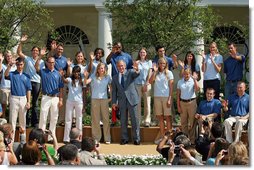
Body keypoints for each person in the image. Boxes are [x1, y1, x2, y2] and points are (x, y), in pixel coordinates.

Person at [17, 35, 45, 128]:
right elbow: (19, 52)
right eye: (34, 50)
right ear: (32, 52)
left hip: (37, 82)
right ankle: (27, 121)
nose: (35, 52)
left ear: (38, 52)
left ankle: (35, 122)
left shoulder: (41, 61)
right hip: (28, 82)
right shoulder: (28, 59)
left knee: (35, 103)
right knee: (27, 102)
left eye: (37, 51)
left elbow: (42, 73)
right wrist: (21, 42)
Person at [35, 54, 64, 142]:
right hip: (46, 97)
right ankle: (41, 137)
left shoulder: (58, 74)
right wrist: (40, 56)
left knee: (54, 118)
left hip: (55, 98)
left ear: (54, 63)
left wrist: (61, 99)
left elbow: (61, 87)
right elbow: (36, 66)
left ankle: (51, 138)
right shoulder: (43, 72)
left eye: (53, 62)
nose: (51, 64)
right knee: (43, 117)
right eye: (50, 62)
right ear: (47, 63)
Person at [112, 60, 140, 145]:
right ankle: (124, 138)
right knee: (123, 121)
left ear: (125, 66)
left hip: (132, 99)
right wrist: (114, 102)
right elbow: (114, 91)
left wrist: (137, 69)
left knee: (135, 120)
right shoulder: (115, 77)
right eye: (119, 66)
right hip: (122, 101)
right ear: (117, 67)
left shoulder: (130, 72)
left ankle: (136, 138)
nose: (121, 67)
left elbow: (136, 74)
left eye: (122, 66)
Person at [4, 57, 32, 140]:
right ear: (16, 65)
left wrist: (28, 101)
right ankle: (10, 140)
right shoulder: (12, 74)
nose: (20, 66)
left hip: (23, 99)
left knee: (23, 121)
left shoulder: (26, 76)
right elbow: (5, 75)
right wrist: (9, 66)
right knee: (12, 120)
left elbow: (28, 89)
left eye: (21, 64)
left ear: (23, 65)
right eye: (18, 64)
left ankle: (23, 140)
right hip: (14, 98)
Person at [84, 62, 111, 144]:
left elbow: (111, 86)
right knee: (95, 119)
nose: (101, 70)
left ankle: (107, 138)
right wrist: (85, 77)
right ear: (97, 70)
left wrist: (111, 97)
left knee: (106, 119)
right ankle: (96, 138)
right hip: (95, 99)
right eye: (99, 68)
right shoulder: (93, 76)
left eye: (102, 68)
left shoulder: (108, 77)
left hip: (104, 99)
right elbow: (86, 82)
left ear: (105, 69)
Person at [149, 58, 174, 141]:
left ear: (166, 64)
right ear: (158, 64)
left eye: (163, 63)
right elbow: (150, 81)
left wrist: (170, 98)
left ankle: (169, 138)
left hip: (166, 97)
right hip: (157, 97)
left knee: (167, 117)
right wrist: (154, 71)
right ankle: (163, 137)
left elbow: (171, 87)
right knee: (160, 118)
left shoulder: (169, 73)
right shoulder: (156, 73)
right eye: (160, 63)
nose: (162, 65)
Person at [60, 65, 84, 143]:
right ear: (73, 72)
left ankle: (79, 138)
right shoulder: (70, 79)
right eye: (75, 72)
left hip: (79, 102)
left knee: (79, 120)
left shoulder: (82, 80)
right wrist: (62, 75)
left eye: (78, 72)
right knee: (68, 120)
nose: (77, 74)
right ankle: (66, 138)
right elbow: (64, 81)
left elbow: (85, 91)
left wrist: (84, 103)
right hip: (70, 101)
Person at [177, 68, 199, 144]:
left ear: (190, 74)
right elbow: (178, 95)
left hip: (191, 102)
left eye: (188, 74)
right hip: (182, 103)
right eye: (185, 74)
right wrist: (178, 106)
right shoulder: (180, 82)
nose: (186, 75)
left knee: (192, 122)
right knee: (183, 123)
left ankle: (192, 140)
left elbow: (197, 89)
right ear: (183, 74)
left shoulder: (193, 81)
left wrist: (195, 80)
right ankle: (185, 140)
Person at [134, 47, 153, 127]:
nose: (142, 54)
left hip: (146, 84)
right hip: (137, 84)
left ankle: (147, 120)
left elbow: (150, 72)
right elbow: (135, 73)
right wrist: (136, 66)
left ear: (146, 54)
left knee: (147, 103)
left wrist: (146, 83)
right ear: (139, 54)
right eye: (141, 52)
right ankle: (137, 120)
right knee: (137, 103)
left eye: (144, 52)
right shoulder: (136, 62)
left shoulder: (149, 62)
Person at [0, 51, 17, 118]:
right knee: (3, 106)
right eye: (7, 56)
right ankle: (3, 121)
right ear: (5, 57)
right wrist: (1, 60)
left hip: (12, 88)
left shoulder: (15, 67)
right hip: (4, 88)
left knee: (12, 106)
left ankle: (10, 122)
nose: (9, 57)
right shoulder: (3, 66)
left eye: (10, 56)